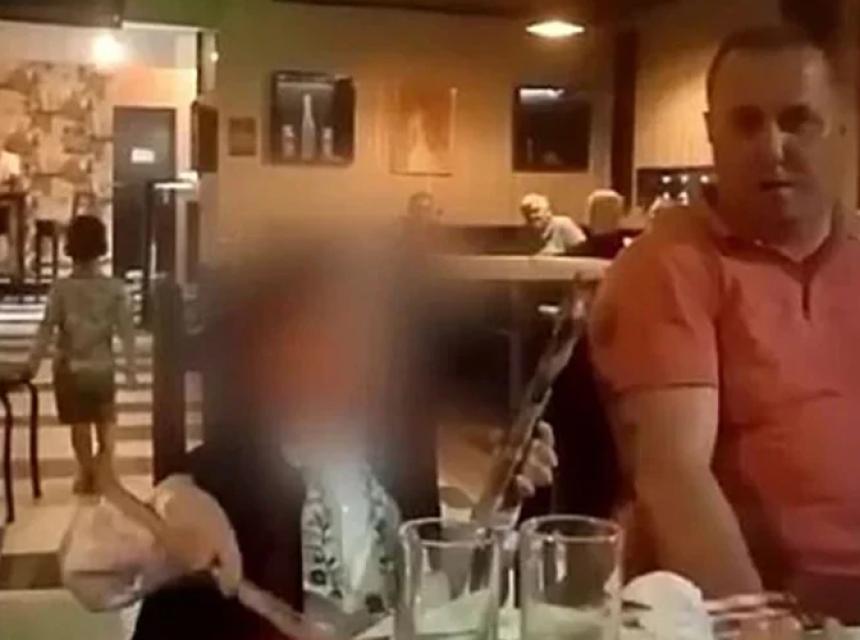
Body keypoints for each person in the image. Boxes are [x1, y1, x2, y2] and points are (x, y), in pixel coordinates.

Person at [60, 238, 558, 639]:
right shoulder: (226, 475)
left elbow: (441, 600)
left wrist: (498, 501)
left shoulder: (399, 464)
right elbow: (86, 569)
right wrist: (168, 512)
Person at [588, 26, 860, 621]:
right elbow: (673, 476)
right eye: (747, 123)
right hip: (778, 609)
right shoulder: (670, 262)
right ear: (712, 133)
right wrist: (759, 625)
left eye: (798, 120)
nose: (772, 146)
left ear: (840, 128)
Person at [27, 215, 136, 495]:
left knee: (79, 424)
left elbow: (47, 327)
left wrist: (32, 362)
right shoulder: (115, 288)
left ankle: (86, 472)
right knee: (106, 420)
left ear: (69, 246)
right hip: (102, 367)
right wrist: (130, 365)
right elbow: (126, 330)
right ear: (102, 245)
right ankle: (105, 465)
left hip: (70, 368)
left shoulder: (61, 288)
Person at [520, 193, 587, 255]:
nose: (531, 216)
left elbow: (582, 250)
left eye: (535, 211)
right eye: (527, 213)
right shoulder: (525, 234)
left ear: (548, 212)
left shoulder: (563, 224)